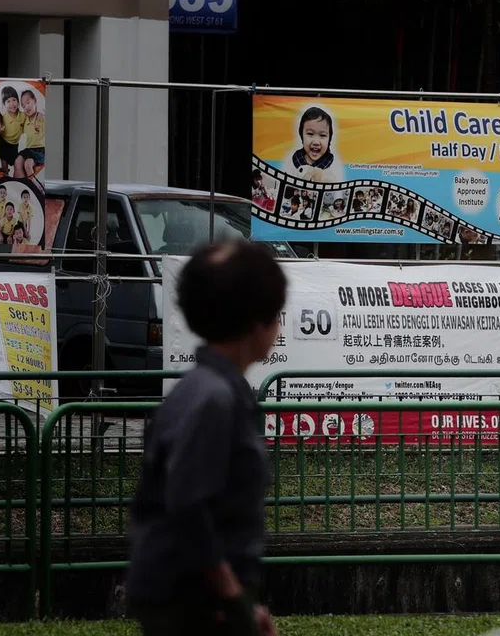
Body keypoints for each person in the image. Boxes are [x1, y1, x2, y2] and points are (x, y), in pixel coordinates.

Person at [126, 240, 284, 636]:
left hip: (200, 596)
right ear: (256, 322)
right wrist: (231, 600)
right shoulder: (213, 399)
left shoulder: (207, 390)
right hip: (196, 601)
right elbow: (188, 507)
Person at [281, 106, 343, 183]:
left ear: (329, 139)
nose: (316, 142)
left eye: (322, 135)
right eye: (310, 134)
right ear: (301, 135)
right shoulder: (292, 161)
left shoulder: (334, 165)